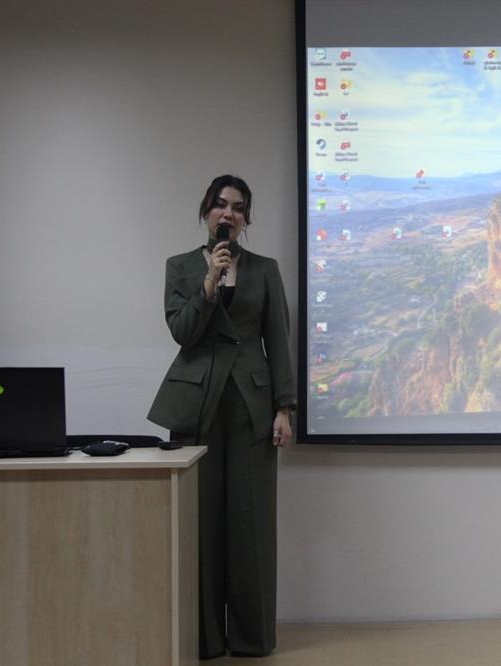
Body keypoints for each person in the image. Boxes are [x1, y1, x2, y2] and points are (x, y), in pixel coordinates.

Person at [148, 174, 295, 659]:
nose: (228, 213)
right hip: (198, 405)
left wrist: (284, 408)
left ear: (246, 219)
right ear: (205, 212)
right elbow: (182, 333)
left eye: (238, 207)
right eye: (220, 204)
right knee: (201, 523)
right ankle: (205, 638)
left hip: (253, 406)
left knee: (251, 523)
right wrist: (209, 282)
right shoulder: (180, 267)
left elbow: (278, 340)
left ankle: (252, 638)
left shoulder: (265, 269)